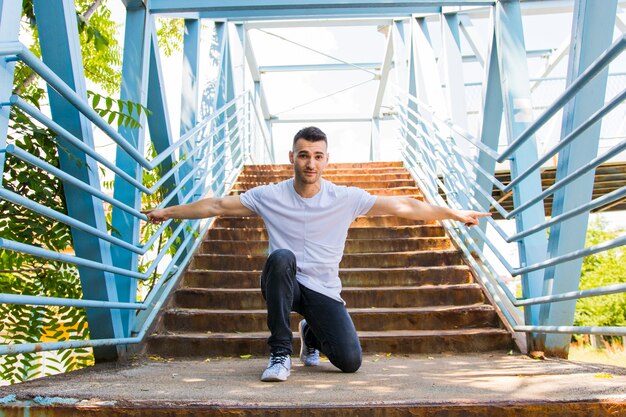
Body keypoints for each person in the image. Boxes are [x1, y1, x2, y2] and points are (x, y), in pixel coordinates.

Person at [142, 126, 490, 382]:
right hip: (284, 281)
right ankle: (280, 353)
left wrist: (454, 213)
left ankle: (309, 333)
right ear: (292, 157)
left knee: (350, 361)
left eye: (318, 156)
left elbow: (403, 204)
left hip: (324, 289)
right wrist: (167, 212)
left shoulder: (345, 197)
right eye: (304, 155)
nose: (311, 163)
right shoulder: (269, 195)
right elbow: (217, 204)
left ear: (327, 160)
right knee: (280, 257)